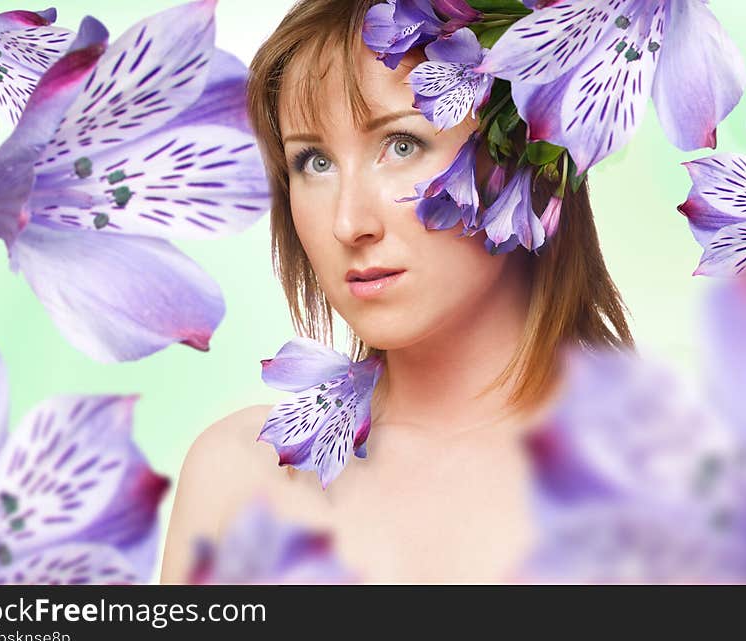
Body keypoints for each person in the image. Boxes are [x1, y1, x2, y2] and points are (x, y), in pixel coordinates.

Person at [160, 0, 632, 584]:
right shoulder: (238, 473)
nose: (348, 223)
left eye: (401, 145)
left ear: (529, 160)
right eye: (313, 162)